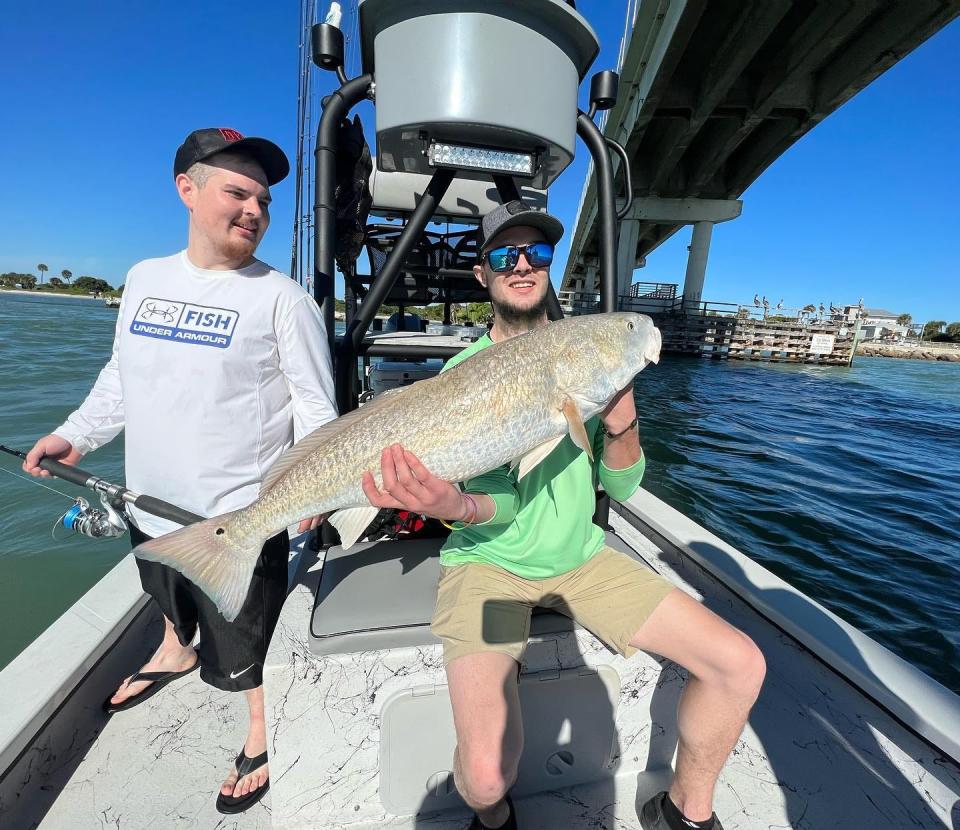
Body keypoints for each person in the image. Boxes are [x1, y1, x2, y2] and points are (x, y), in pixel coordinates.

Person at [361, 201, 766, 830]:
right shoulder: (461, 376)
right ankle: (495, 819)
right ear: (483, 274)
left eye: (538, 253)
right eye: (505, 255)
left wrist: (623, 419)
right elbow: (499, 504)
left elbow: (623, 485)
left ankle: (686, 813)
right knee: (487, 775)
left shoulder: (583, 356)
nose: (522, 265)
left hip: (582, 562)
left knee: (740, 663)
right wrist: (452, 506)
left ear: (550, 267)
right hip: (491, 573)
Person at [23, 127, 337, 814]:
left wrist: (315, 488)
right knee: (164, 593)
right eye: (237, 192)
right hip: (147, 503)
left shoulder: (284, 300)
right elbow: (121, 378)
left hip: (234, 522)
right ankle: (173, 649)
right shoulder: (143, 278)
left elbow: (318, 408)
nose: (254, 209)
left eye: (263, 199)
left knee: (245, 644)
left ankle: (262, 730)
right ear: (186, 190)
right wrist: (76, 436)